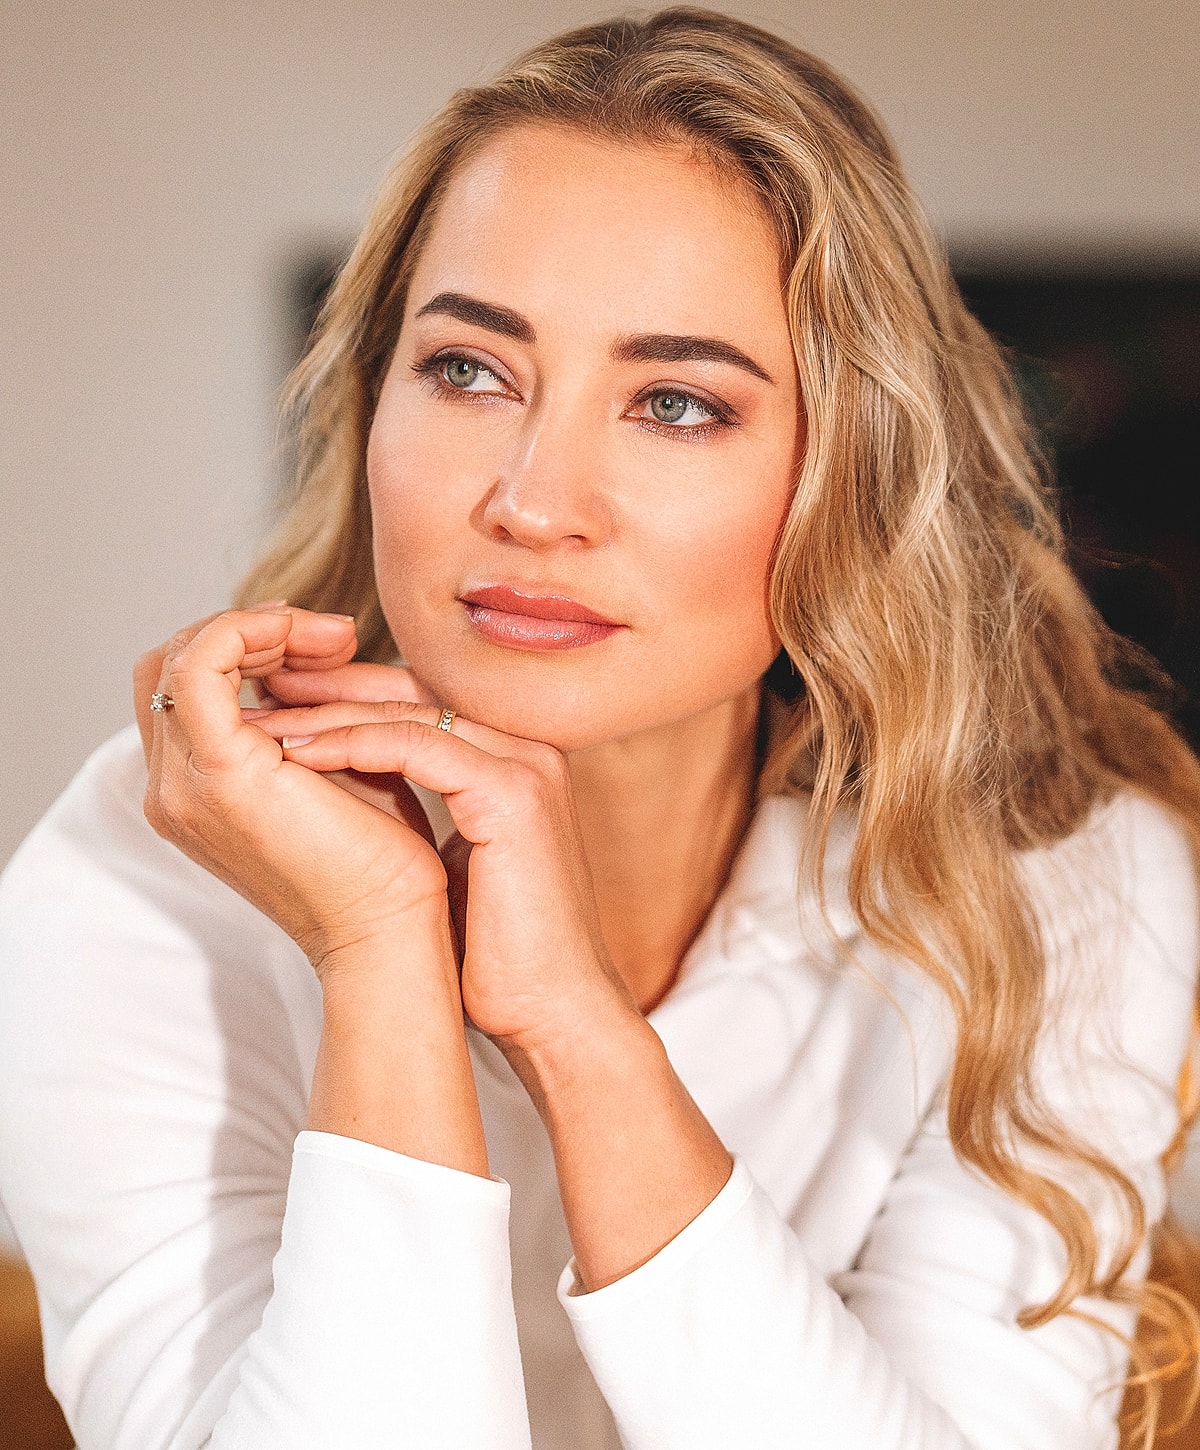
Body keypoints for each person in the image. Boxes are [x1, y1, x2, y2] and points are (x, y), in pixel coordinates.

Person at [1, 8, 1198, 1448]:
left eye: (678, 402)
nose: (533, 498)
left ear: (857, 480)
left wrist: (577, 1029)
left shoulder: (1054, 876)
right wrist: (377, 948)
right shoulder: (137, 877)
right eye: (467, 369)